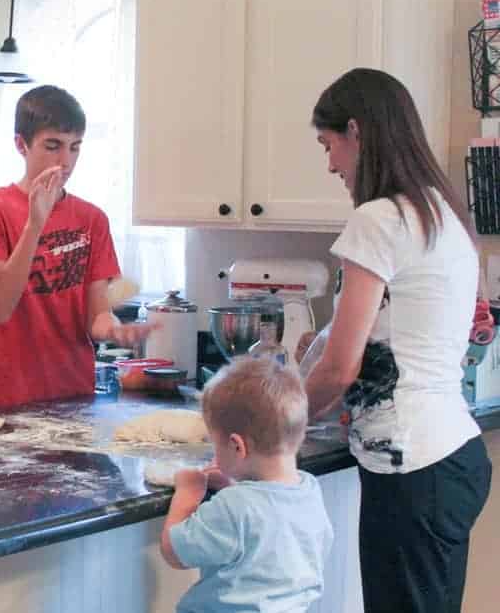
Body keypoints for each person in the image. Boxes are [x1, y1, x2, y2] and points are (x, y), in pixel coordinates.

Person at [302, 67, 492, 613]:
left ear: (356, 131)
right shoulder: (441, 211)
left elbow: (341, 366)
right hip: (448, 455)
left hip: (414, 468)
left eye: (329, 144)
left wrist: (279, 430)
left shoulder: (378, 218)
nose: (331, 163)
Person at [0, 85, 155, 408]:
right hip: (6, 395)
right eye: (53, 146)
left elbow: (96, 316)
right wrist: (35, 223)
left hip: (74, 395)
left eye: (74, 147)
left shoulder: (92, 219)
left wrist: (115, 329)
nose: (66, 161)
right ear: (21, 145)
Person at [161, 356, 333, 613]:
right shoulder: (309, 491)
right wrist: (233, 485)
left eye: (215, 444)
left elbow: (175, 552)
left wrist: (188, 493)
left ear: (236, 446)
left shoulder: (234, 507)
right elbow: (265, 515)